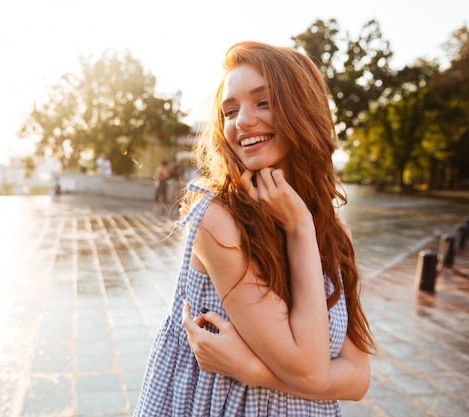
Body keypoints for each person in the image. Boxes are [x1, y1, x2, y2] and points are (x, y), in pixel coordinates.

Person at [133, 41, 376, 416]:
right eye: (230, 110)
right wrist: (299, 230)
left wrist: (251, 369)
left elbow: (358, 378)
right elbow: (313, 373)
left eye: (263, 102)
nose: (242, 121)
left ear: (304, 111)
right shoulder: (218, 219)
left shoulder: (334, 232)